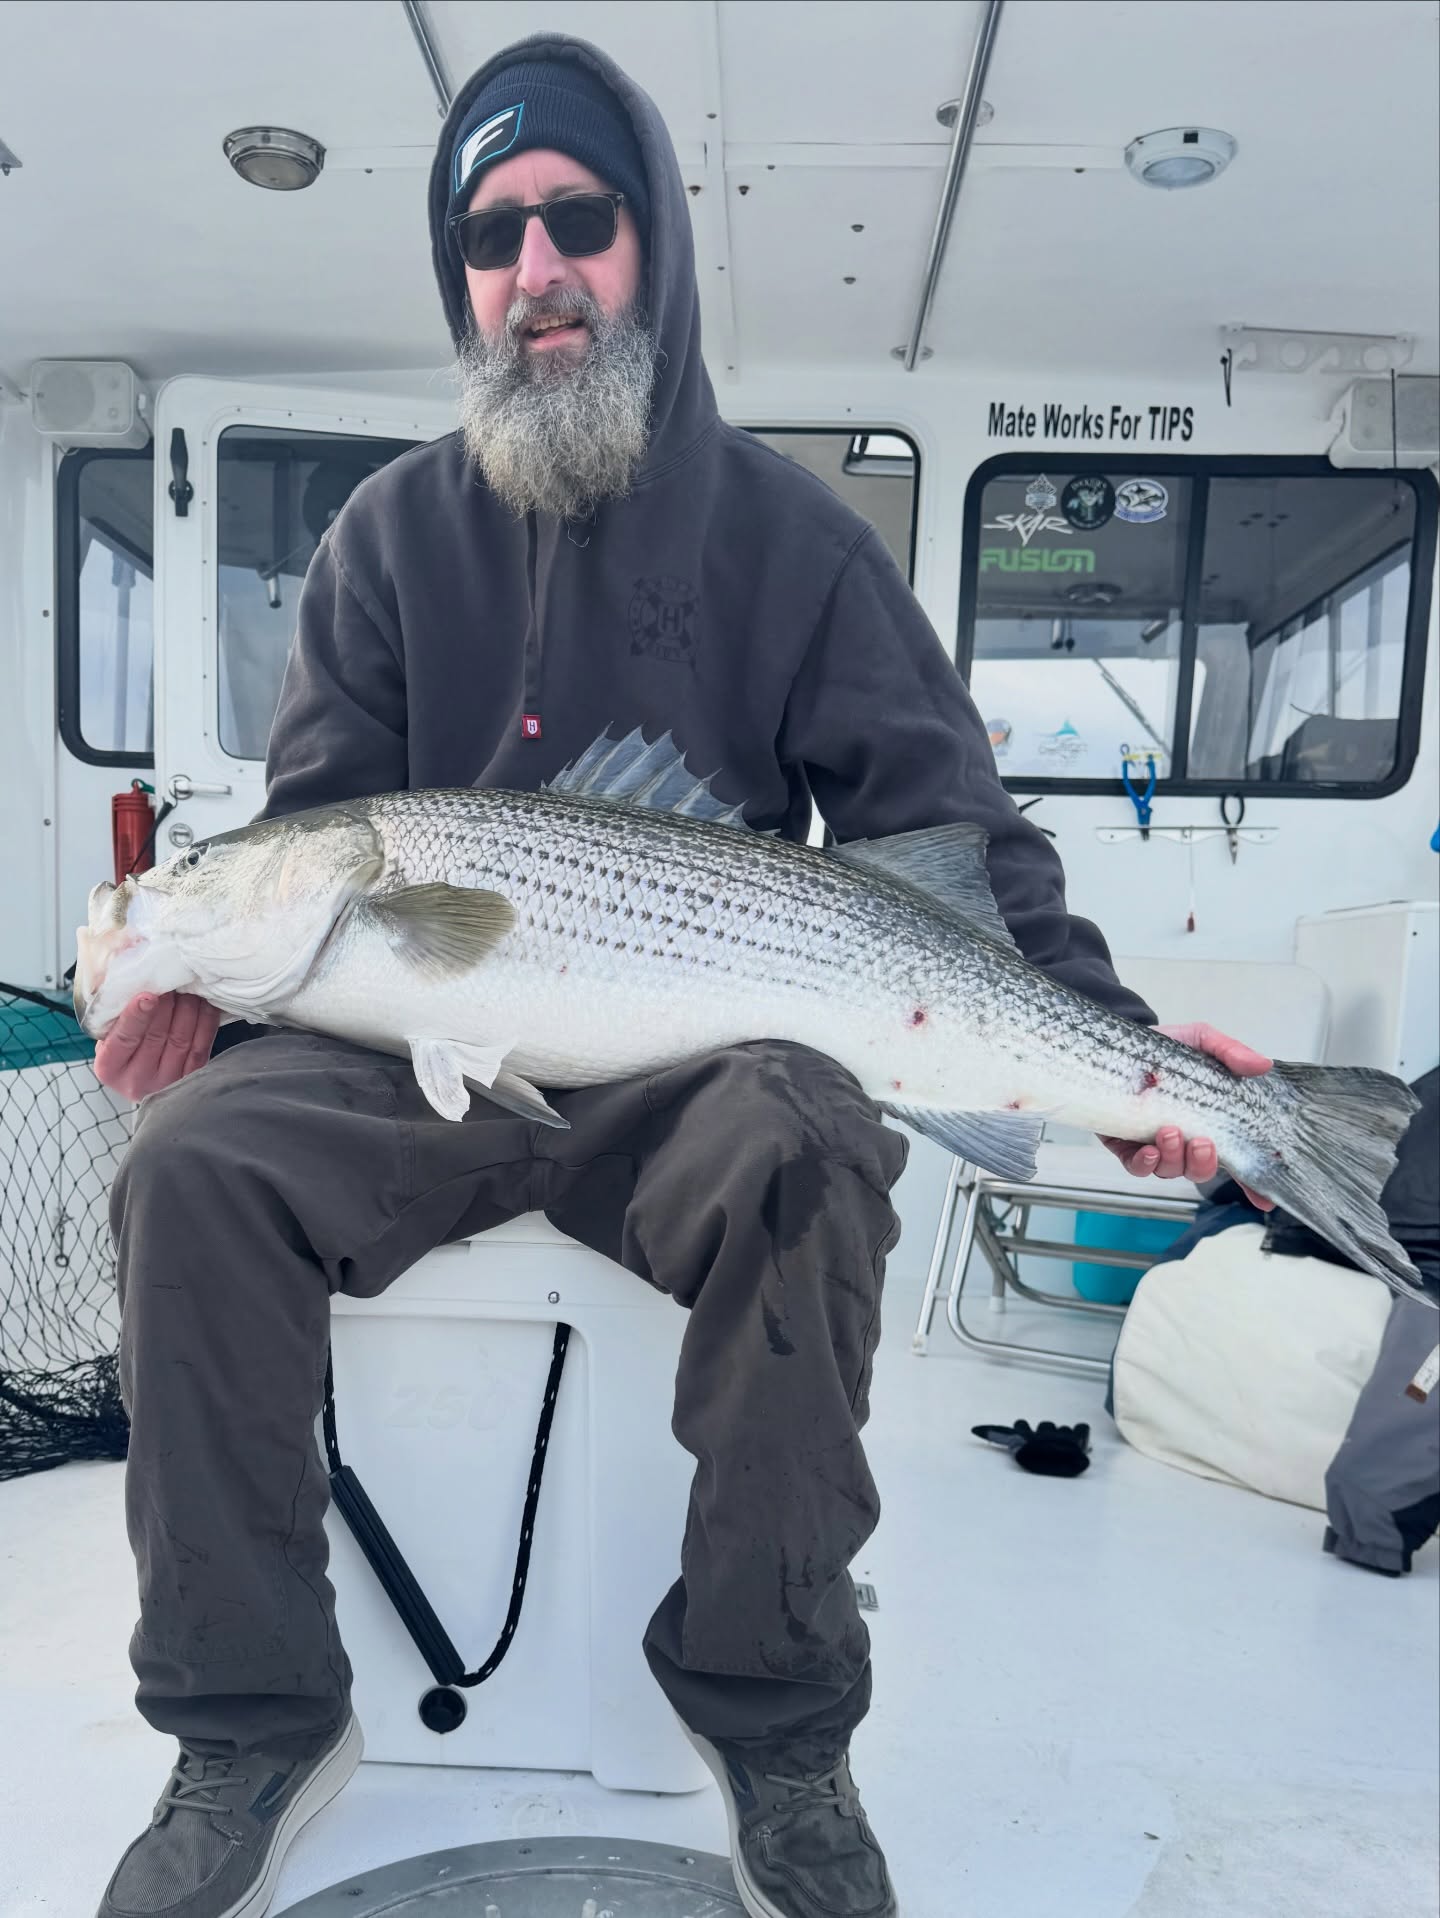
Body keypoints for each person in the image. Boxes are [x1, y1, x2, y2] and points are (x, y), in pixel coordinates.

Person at [92, 34, 1271, 1918]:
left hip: (684, 1071)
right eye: (491, 236)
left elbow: (948, 831)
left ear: (655, 246)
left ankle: (775, 1712)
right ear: (458, 276)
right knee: (188, 1170)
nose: (534, 269)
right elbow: (311, 832)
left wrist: (1125, 1056)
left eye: (579, 218)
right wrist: (200, 977)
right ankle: (250, 1718)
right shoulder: (386, 539)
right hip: (415, 1061)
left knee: (813, 1140)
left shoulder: (795, 545)